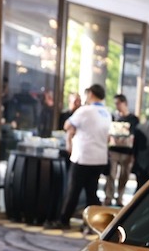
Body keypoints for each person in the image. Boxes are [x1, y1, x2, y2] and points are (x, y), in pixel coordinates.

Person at [46, 83, 111, 230]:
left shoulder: (85, 110)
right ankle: (92, 224)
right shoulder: (106, 113)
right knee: (91, 192)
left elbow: (67, 125)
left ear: (91, 94)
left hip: (83, 157)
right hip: (99, 157)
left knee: (73, 190)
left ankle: (64, 220)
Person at [104, 94, 140, 206]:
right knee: (111, 175)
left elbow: (135, 135)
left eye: (118, 103)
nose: (117, 106)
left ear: (124, 103)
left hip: (127, 152)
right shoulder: (113, 117)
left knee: (124, 176)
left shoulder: (133, 119)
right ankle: (108, 196)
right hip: (113, 150)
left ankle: (119, 197)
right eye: (115, 104)